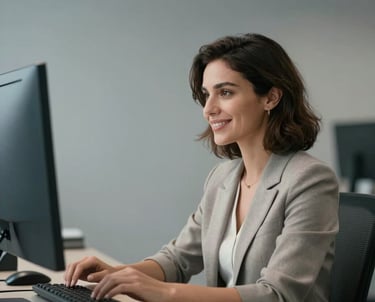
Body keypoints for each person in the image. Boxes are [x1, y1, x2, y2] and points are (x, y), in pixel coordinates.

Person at [64, 33, 339, 302]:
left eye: (226, 92)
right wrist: (116, 274)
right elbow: (178, 259)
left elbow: (278, 294)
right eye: (206, 95)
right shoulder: (223, 178)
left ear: (270, 98)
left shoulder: (309, 180)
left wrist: (164, 293)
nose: (208, 109)